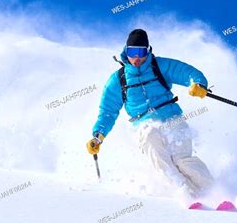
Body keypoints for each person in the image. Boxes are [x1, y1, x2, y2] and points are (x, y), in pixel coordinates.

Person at [86, 29, 214, 198]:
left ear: (148, 51)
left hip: (171, 118)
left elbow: (187, 72)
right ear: (126, 51)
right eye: (132, 52)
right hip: (143, 124)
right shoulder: (118, 80)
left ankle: (215, 192)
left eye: (141, 52)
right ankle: (185, 192)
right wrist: (98, 136)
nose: (137, 57)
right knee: (153, 143)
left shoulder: (159, 66)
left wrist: (198, 84)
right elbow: (108, 111)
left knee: (182, 160)